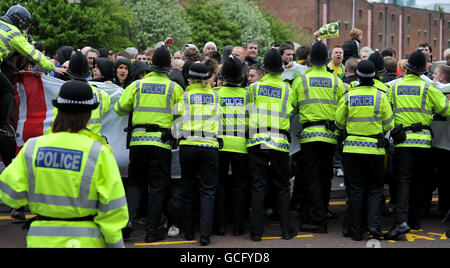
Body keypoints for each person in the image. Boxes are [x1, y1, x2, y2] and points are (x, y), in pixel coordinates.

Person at [0, 80, 128, 248]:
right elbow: (113, 211)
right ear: (89, 114)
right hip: (85, 240)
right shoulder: (99, 153)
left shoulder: (33, 147)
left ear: (58, 110)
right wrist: (115, 244)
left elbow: (10, 195)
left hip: (41, 240)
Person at [114, 46, 184, 243]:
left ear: (150, 66)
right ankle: (152, 231)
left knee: (135, 183)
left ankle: (127, 222)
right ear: (168, 68)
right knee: (158, 187)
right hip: (161, 144)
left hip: (137, 142)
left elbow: (119, 109)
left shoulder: (137, 85)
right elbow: (183, 116)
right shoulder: (175, 88)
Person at [385, 49, 450, 240]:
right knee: (420, 181)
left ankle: (401, 221)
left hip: (402, 141)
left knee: (403, 180)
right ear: (423, 70)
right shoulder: (429, 88)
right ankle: (415, 220)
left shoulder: (395, 87)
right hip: (423, 142)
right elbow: (445, 110)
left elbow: (387, 111)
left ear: (407, 68)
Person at [335, 60, 394, 241]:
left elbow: (339, 122)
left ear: (358, 76)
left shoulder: (348, 95)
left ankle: (355, 230)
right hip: (375, 151)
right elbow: (389, 123)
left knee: (355, 190)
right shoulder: (380, 96)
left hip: (352, 149)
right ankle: (374, 227)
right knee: (375, 189)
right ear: (375, 76)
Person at [292, 41, 346, 234]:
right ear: (326, 60)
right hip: (330, 136)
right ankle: (321, 211)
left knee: (312, 177)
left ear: (309, 59)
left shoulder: (302, 81)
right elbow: (343, 106)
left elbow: (294, 107)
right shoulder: (336, 82)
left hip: (309, 136)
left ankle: (316, 220)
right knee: (324, 177)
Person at [247, 48, 297, 242]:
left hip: (257, 140)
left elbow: (247, 110)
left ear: (265, 70)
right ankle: (286, 230)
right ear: (281, 69)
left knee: (258, 186)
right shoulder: (287, 90)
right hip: (278, 142)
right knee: (282, 186)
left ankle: (256, 232)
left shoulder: (254, 88)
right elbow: (291, 111)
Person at [0, 4, 66, 140]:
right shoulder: (14, 34)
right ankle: (1, 127)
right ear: (20, 21)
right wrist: (53, 67)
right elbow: (33, 54)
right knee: (7, 91)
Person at [175, 62, 222, 246]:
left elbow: (177, 114)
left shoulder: (185, 96)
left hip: (188, 145)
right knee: (208, 191)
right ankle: (205, 235)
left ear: (190, 78)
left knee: (188, 189)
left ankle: (188, 232)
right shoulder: (215, 96)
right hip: (210, 146)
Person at [214, 56, 251, 237]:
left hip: (219, 144)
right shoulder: (247, 95)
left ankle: (220, 226)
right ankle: (238, 227)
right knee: (240, 186)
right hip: (242, 145)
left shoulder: (216, 94)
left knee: (219, 185)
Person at [55, 51, 111, 137]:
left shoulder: (64, 93)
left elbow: (57, 116)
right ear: (87, 72)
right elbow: (107, 109)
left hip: (69, 142)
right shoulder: (102, 94)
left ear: (69, 74)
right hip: (93, 144)